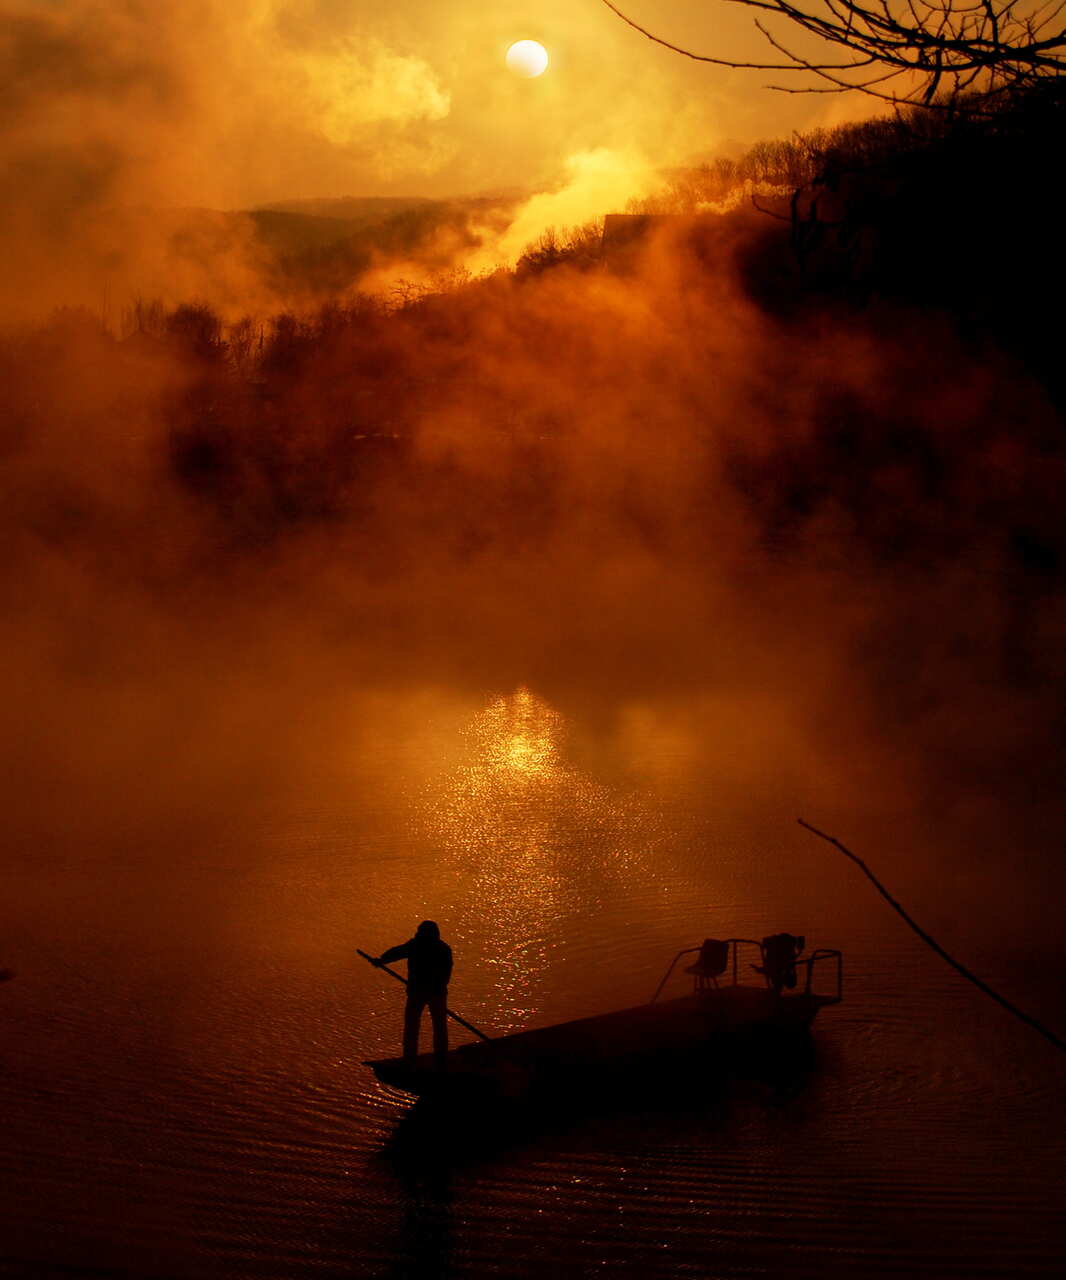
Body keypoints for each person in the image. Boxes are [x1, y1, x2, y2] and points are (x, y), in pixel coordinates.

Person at [373, 920, 453, 1062]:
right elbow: (446, 973)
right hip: (433, 992)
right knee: (436, 1026)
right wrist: (382, 960)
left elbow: (397, 952)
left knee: (413, 1026)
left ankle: (411, 1058)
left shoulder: (417, 945)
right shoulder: (442, 948)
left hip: (421, 991)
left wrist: (382, 960)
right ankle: (440, 1058)